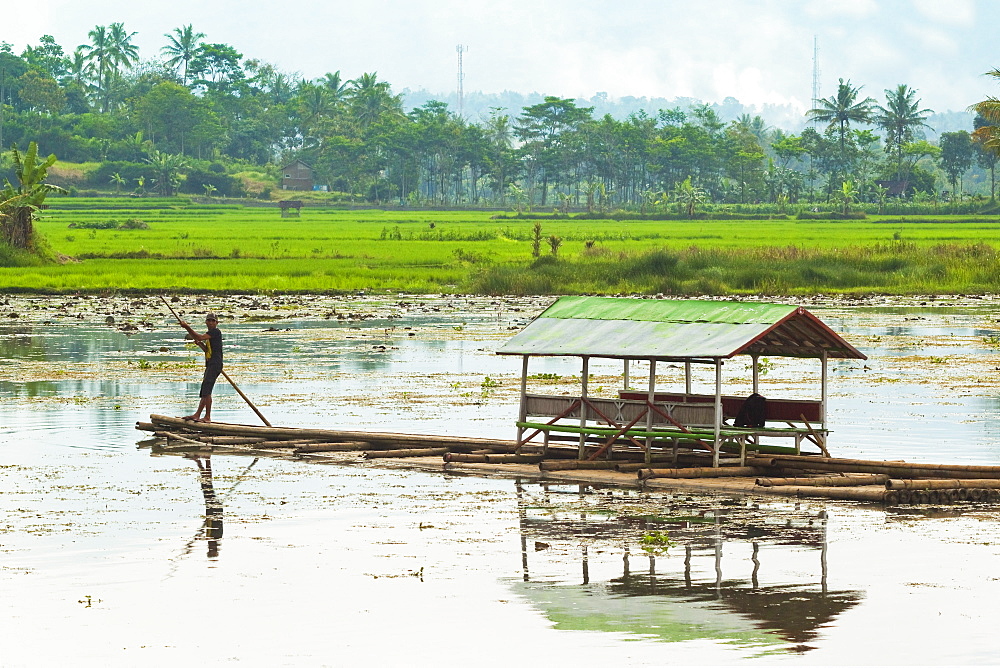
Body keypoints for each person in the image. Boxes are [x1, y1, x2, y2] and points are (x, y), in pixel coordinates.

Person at [181, 313, 223, 423]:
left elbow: (199, 336)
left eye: (213, 321)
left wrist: (187, 327)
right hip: (211, 364)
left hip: (215, 364)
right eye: (209, 320)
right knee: (205, 391)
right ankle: (197, 414)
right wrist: (200, 344)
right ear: (206, 322)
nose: (210, 322)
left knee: (207, 391)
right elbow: (207, 350)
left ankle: (207, 417)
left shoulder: (215, 332)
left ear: (216, 323)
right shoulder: (210, 335)